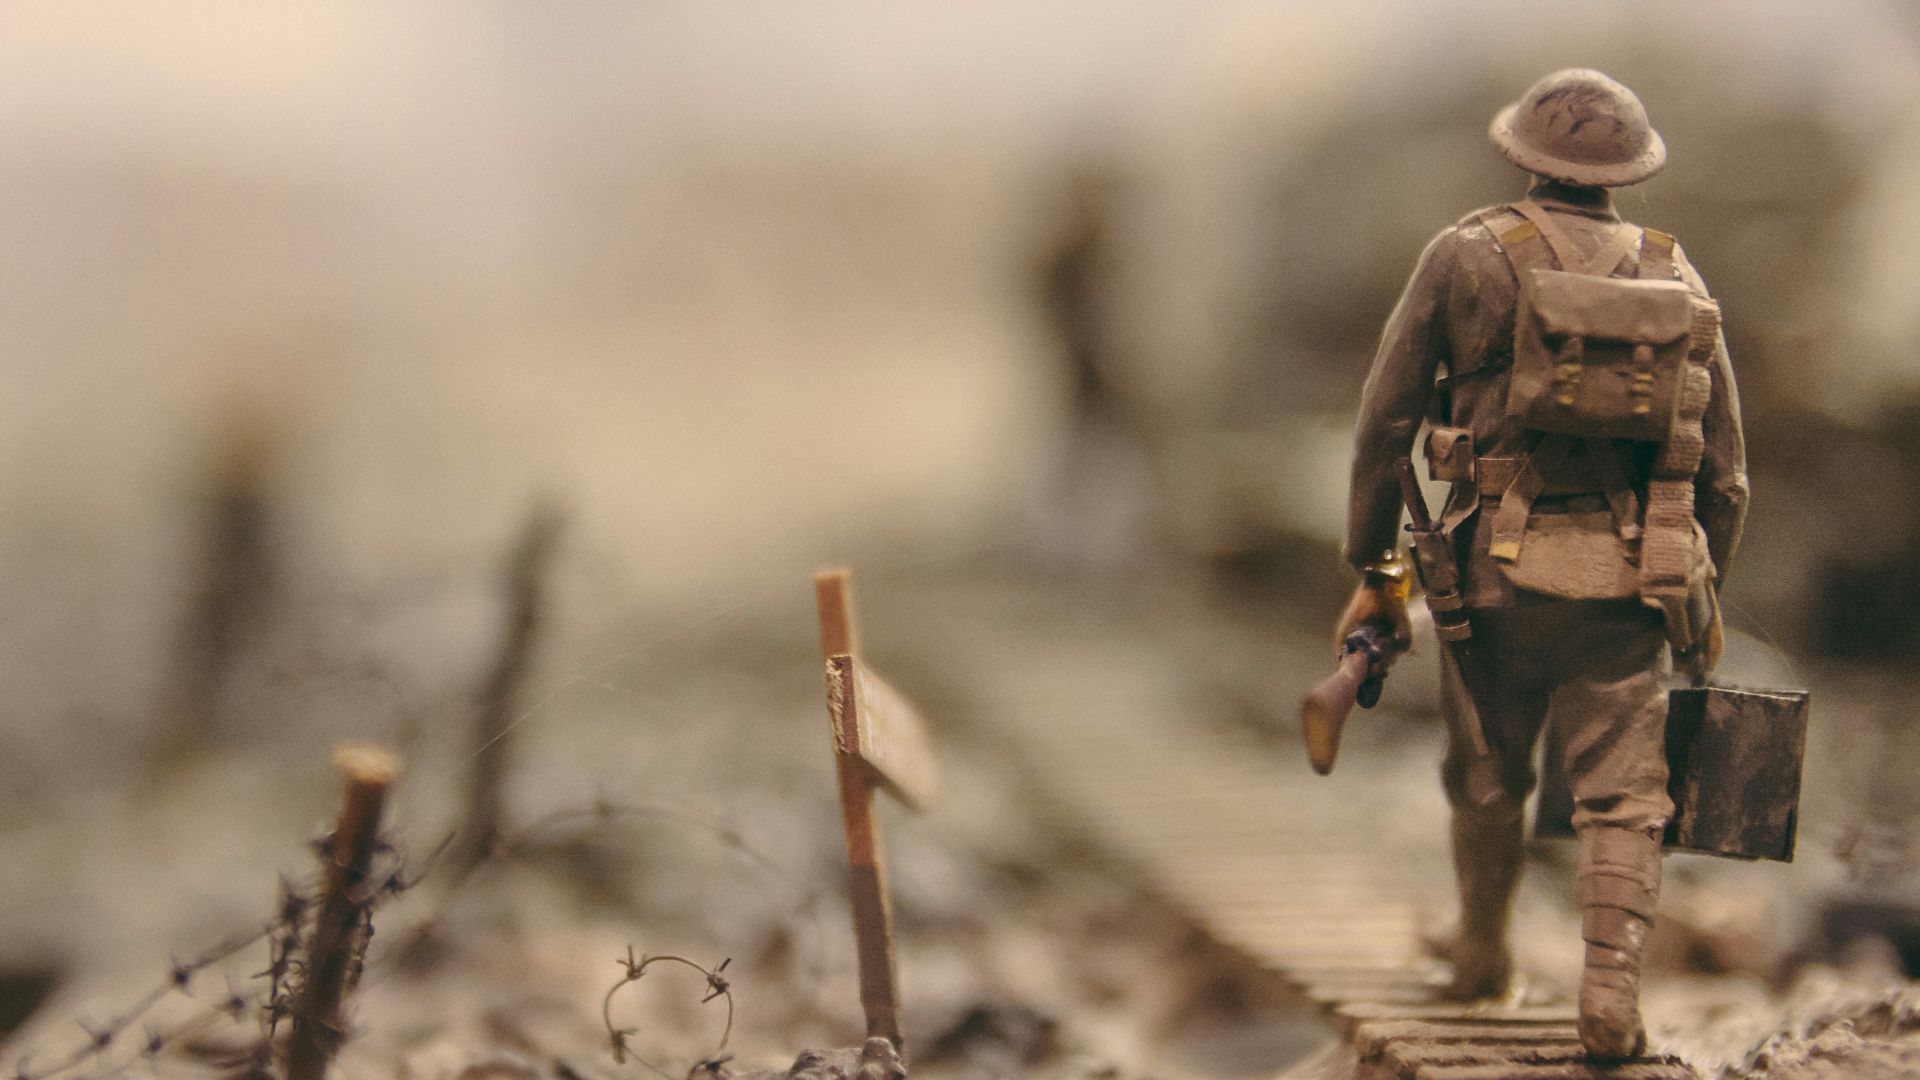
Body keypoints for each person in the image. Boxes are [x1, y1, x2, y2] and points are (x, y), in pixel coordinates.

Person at [1335, 68, 1748, 1058]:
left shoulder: (1466, 255)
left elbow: (1384, 422)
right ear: (1627, 169)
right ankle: (1610, 995)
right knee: (1625, 794)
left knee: (1485, 769)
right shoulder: (1677, 276)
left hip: (1493, 573)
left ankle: (1482, 953)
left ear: (1522, 151)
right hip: (1631, 579)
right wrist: (1699, 591)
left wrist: (1372, 560)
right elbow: (1725, 476)